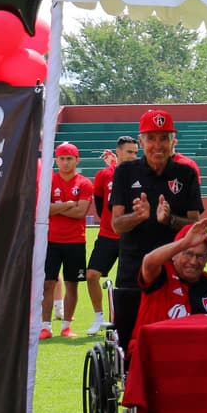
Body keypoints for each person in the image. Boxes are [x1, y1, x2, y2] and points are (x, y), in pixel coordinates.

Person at [110, 109, 203, 346]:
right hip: (133, 273)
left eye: (164, 138)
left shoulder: (187, 173)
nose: (158, 145)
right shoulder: (125, 172)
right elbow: (117, 224)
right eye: (151, 138)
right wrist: (139, 216)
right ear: (141, 141)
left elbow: (196, 225)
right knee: (130, 343)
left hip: (176, 275)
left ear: (173, 141)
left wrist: (170, 220)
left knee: (175, 346)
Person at [129, 220, 207, 360]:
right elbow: (148, 262)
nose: (193, 261)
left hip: (193, 358)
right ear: (174, 255)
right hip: (150, 354)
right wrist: (185, 242)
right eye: (187, 253)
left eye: (200, 256)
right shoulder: (161, 274)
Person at [84, 135, 138, 335]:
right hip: (108, 234)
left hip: (131, 237)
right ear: (118, 152)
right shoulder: (104, 175)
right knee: (91, 275)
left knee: (128, 284)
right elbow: (100, 203)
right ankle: (99, 317)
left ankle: (126, 321)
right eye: (129, 152)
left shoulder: (141, 174)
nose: (133, 156)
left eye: (135, 152)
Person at [41, 142, 93, 339]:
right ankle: (45, 327)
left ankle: (66, 327)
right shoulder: (49, 181)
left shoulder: (85, 183)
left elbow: (81, 212)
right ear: (56, 160)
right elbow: (43, 209)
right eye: (62, 158)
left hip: (75, 242)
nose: (65, 162)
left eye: (69, 158)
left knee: (72, 284)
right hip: (51, 241)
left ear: (76, 160)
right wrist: (70, 204)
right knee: (48, 283)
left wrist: (58, 206)